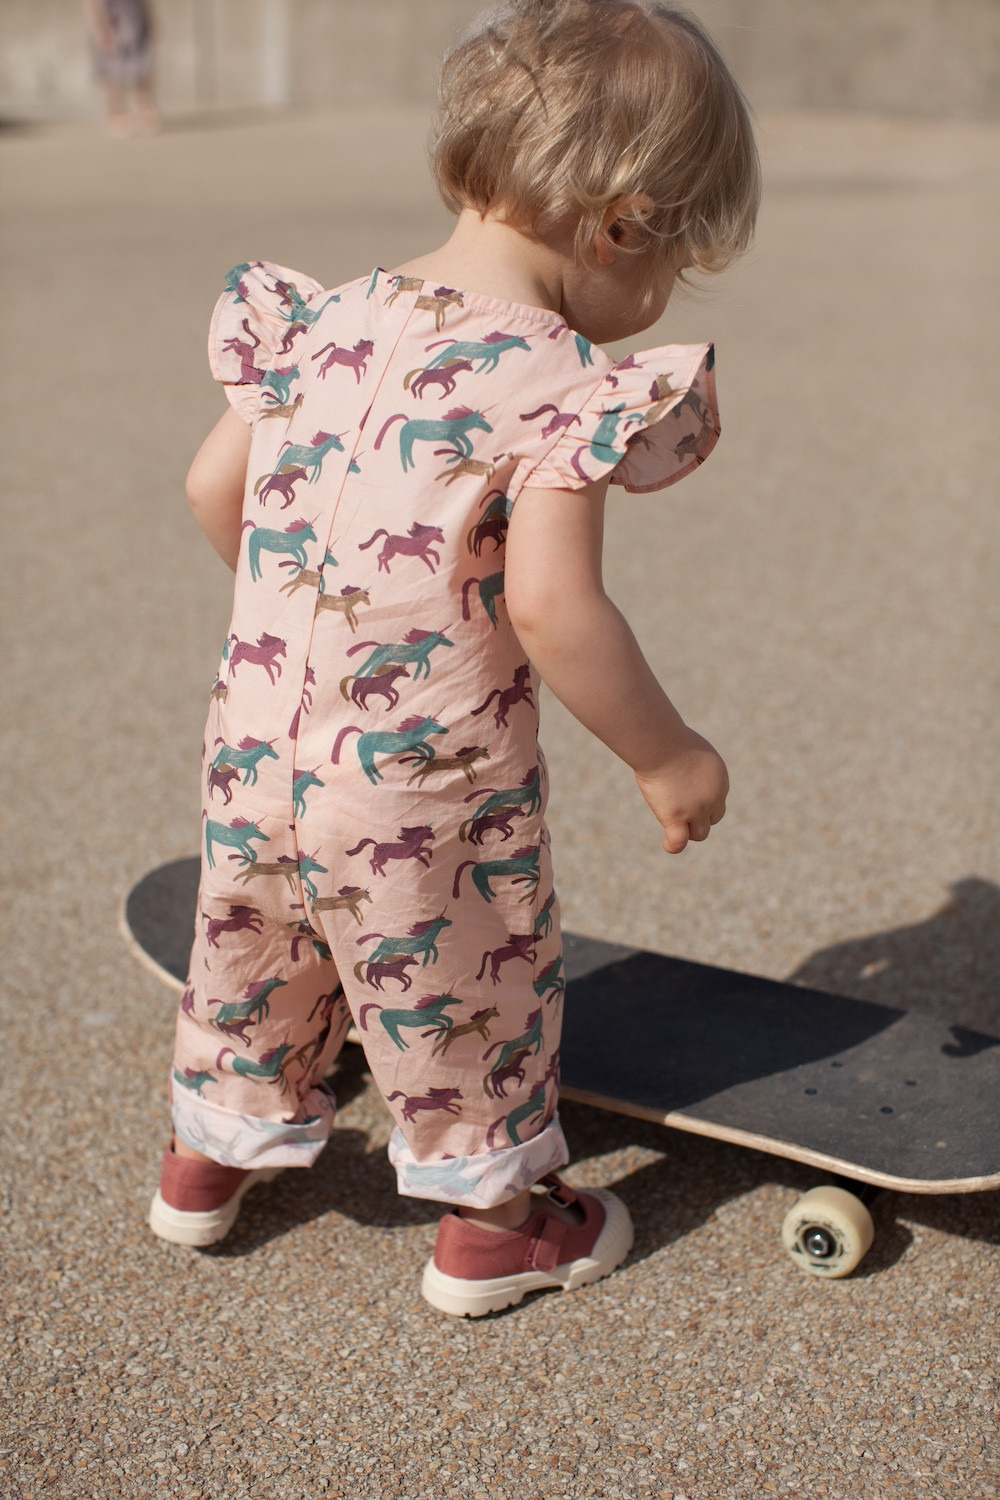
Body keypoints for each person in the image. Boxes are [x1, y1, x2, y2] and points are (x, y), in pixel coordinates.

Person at [148, 0, 759, 1317]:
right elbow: (551, 608)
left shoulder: (325, 319)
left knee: (254, 941)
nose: (656, 300)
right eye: (673, 264)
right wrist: (669, 756)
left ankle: (206, 1163)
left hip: (256, 747)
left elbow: (212, 489)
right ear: (622, 226)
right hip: (422, 787)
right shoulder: (557, 380)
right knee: (464, 968)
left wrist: (314, 622)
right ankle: (496, 1228)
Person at [84, 0, 157, 136]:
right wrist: (101, 26)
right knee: (110, 67)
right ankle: (117, 111)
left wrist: (150, 18)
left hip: (134, 15)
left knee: (142, 64)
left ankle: (145, 107)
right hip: (111, 15)